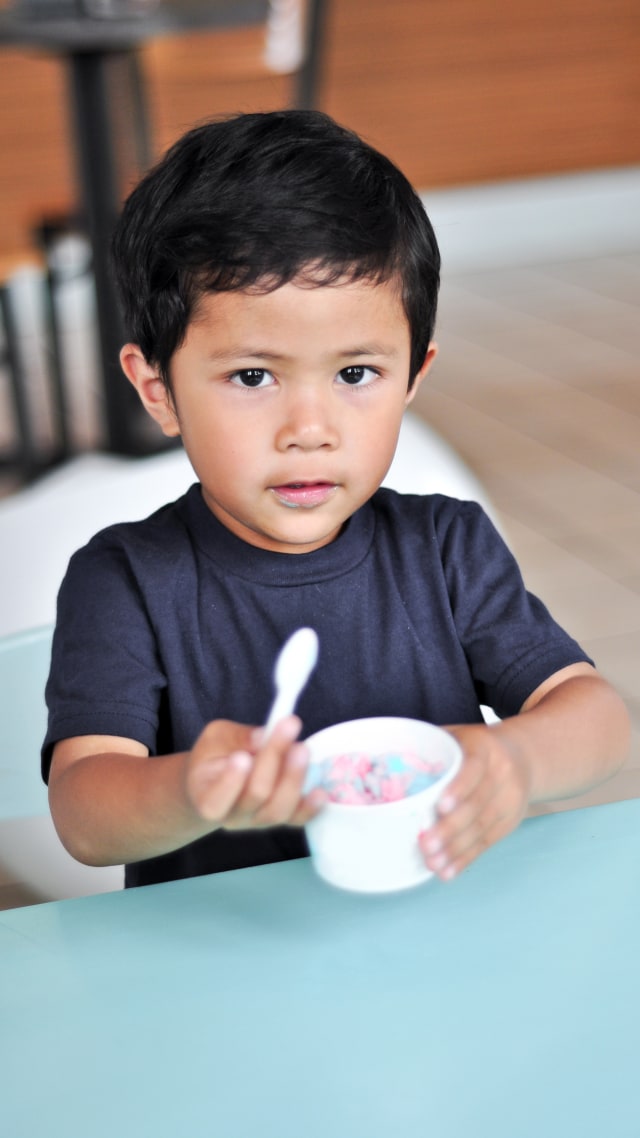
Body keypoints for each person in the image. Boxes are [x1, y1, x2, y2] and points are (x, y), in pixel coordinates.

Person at [43, 110, 630, 889]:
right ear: (159, 391)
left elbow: (599, 718)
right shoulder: (125, 579)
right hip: (228, 952)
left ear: (413, 376)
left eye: (356, 374)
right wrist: (193, 789)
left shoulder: (447, 548)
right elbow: (85, 818)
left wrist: (516, 757)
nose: (310, 431)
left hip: (439, 928)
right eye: (253, 376)